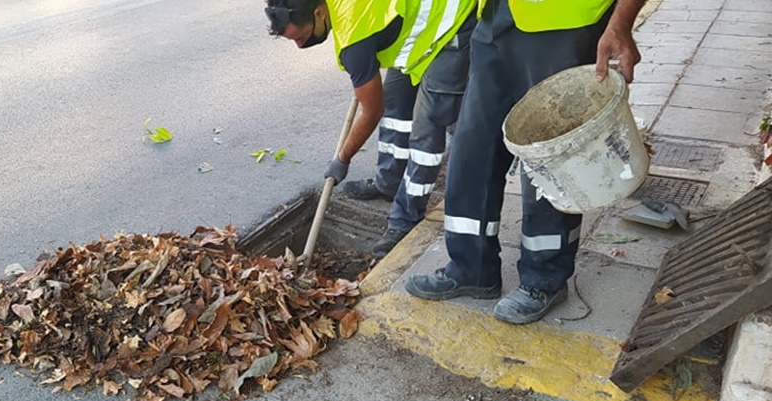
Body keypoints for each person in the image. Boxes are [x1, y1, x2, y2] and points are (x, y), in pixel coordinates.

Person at [404, 0, 645, 324]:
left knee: (548, 150)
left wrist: (620, 23)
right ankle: (471, 268)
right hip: (495, 17)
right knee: (472, 149)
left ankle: (544, 278)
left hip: (565, 22)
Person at [264, 0, 477, 258]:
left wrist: (342, 159)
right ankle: (388, 183)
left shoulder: (354, 37)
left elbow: (371, 112)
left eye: (300, 37)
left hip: (452, 23)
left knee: (427, 126)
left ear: (319, 13)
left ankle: (405, 218)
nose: (299, 46)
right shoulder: (344, 18)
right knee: (396, 104)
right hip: (417, 25)